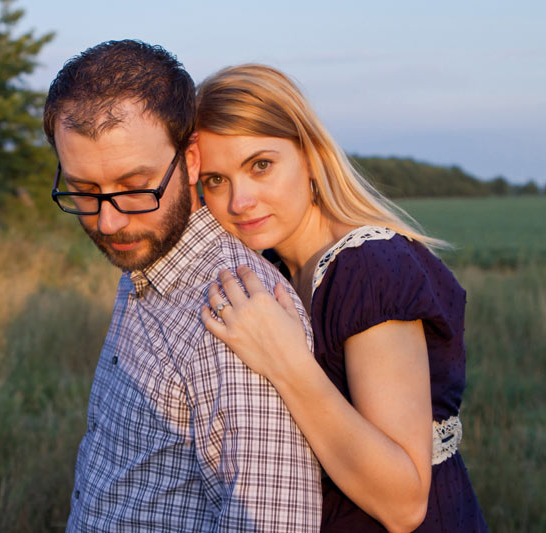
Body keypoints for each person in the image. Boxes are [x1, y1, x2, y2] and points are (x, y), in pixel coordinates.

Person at [195, 64, 488, 532]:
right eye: (215, 180)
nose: (240, 200)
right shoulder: (273, 272)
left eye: (260, 165)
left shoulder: (368, 267)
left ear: (309, 155)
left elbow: (403, 502)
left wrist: (284, 360)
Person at [43, 42, 322, 532]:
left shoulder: (234, 314)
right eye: (84, 190)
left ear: (191, 160)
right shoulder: (147, 259)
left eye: (135, 186)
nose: (109, 222)